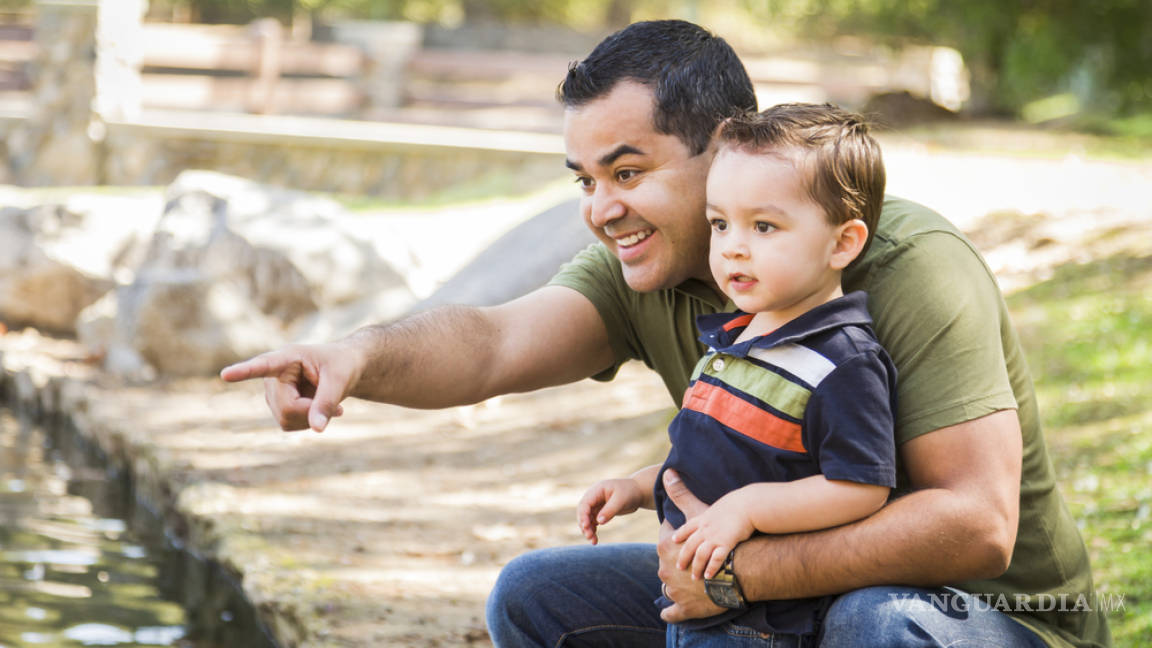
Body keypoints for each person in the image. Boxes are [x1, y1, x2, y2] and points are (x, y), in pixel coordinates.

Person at [220, 19, 1110, 648]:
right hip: (789, 602)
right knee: (536, 598)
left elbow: (978, 524)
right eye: (584, 178)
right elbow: (491, 343)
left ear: (725, 147)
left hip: (978, 620)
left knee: (871, 623)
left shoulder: (901, 262)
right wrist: (356, 357)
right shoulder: (645, 269)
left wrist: (739, 575)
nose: (602, 210)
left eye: (629, 171)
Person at [576, 103, 898, 647]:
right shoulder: (736, 338)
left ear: (843, 243)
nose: (732, 246)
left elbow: (861, 487)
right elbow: (719, 459)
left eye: (764, 226)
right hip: (694, 601)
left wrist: (746, 511)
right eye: (720, 223)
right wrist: (637, 486)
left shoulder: (841, 361)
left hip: (760, 621)